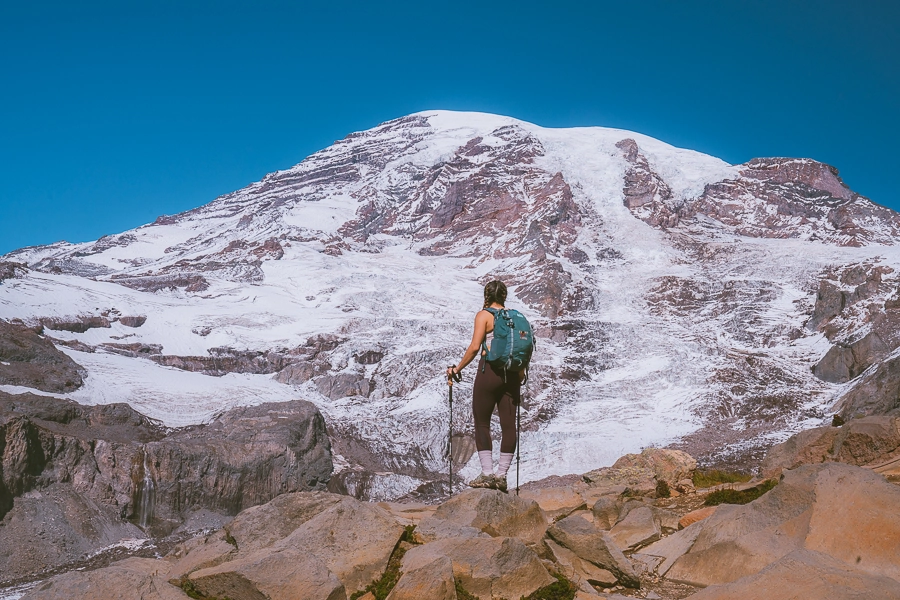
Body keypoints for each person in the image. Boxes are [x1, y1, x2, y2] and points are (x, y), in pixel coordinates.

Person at [446, 280, 522, 492]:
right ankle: (502, 476)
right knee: (508, 425)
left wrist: (457, 369)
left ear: (487, 295)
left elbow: (474, 347)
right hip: (512, 376)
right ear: (504, 296)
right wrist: (520, 374)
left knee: (482, 422)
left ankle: (487, 474)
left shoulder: (484, 315)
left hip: (489, 373)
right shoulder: (514, 318)